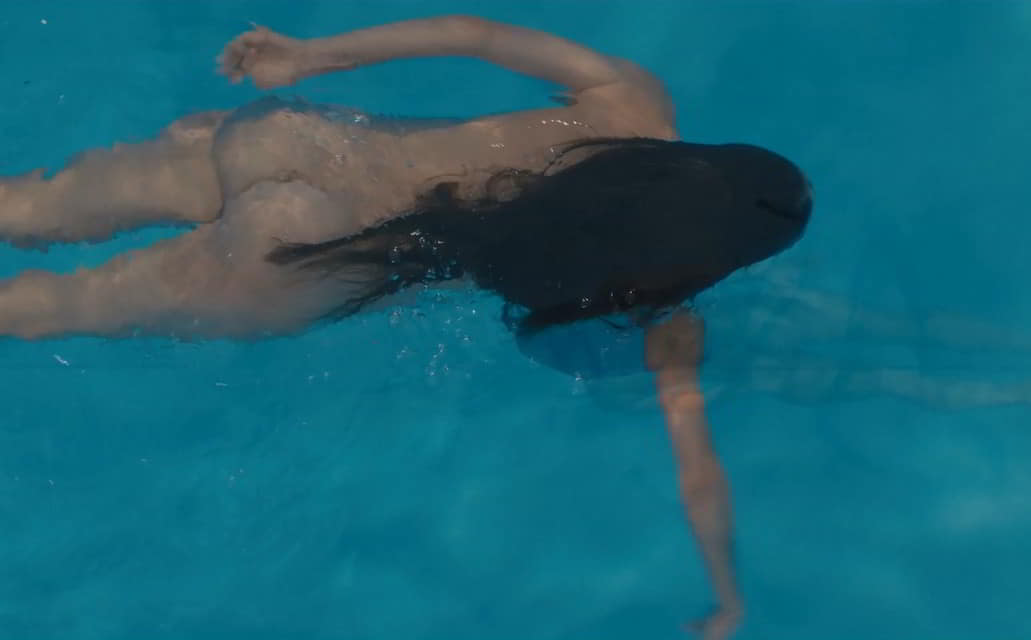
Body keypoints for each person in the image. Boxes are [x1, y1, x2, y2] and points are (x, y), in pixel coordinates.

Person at [0, 16, 813, 640]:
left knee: (29, 205)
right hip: (304, 257)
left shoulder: (634, 99)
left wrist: (307, 57)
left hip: (289, 141)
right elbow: (699, 476)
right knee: (51, 308)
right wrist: (729, 599)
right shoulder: (654, 307)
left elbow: (472, 33)